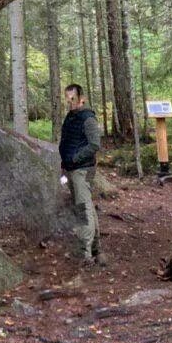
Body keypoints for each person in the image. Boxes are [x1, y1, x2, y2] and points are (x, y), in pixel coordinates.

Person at [59, 83, 103, 266]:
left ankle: (85, 254)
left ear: (81, 98)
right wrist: (65, 164)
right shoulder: (70, 117)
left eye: (73, 98)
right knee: (86, 207)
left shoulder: (88, 118)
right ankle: (95, 249)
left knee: (83, 209)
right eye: (67, 98)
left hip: (82, 170)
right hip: (71, 168)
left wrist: (75, 159)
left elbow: (94, 144)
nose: (70, 101)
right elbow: (66, 141)